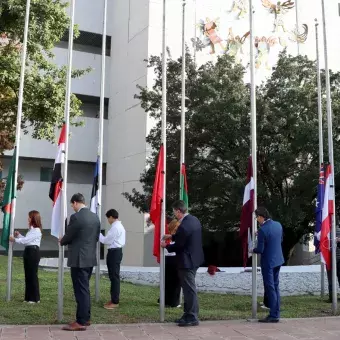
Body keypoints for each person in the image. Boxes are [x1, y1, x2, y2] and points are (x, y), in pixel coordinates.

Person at [59, 193, 100, 331]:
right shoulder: (95, 217)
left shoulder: (76, 217)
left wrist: (62, 240)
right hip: (89, 258)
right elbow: (95, 237)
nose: (72, 207)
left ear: (76, 202)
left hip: (78, 259)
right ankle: (86, 318)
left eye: (72, 204)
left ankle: (81, 321)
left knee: (80, 291)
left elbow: (69, 235)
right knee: (85, 289)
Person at [161, 200, 204, 327]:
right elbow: (184, 236)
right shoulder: (194, 220)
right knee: (188, 289)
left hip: (186, 261)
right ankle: (187, 314)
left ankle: (192, 317)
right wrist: (171, 237)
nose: (174, 214)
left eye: (174, 212)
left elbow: (180, 244)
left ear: (178, 211)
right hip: (195, 259)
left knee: (189, 290)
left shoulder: (184, 225)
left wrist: (166, 246)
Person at [252, 207, 284, 323]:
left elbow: (260, 249)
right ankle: (277, 311)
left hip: (268, 263)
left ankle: (274, 315)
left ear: (261, 217)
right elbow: (279, 240)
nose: (257, 220)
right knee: (275, 286)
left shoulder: (263, 230)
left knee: (270, 288)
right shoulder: (278, 225)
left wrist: (252, 250)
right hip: (278, 260)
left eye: (257, 218)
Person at [9, 210, 42, 304]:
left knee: (32, 275)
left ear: (34, 219)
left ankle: (35, 298)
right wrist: (19, 235)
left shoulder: (37, 230)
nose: (28, 218)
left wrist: (14, 239)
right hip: (28, 251)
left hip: (33, 252)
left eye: (30, 217)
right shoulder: (31, 230)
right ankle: (28, 297)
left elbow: (26, 241)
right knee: (28, 275)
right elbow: (26, 240)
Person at [99, 209, 126, 310]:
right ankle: (113, 299)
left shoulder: (115, 227)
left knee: (114, 276)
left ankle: (115, 301)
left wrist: (98, 234)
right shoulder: (118, 226)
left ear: (111, 217)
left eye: (108, 218)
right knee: (113, 276)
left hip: (114, 252)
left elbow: (106, 240)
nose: (108, 220)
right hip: (115, 252)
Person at [164, 219, 181, 308]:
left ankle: (174, 301)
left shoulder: (179, 238)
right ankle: (166, 301)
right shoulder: (169, 239)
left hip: (176, 260)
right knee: (168, 282)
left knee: (176, 282)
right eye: (175, 227)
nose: (176, 229)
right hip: (169, 260)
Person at [326, 227, 340, 302]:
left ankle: (331, 297)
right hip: (330, 257)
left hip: (332, 258)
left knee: (330, 278)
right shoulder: (326, 231)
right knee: (331, 278)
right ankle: (331, 297)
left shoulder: (326, 230)